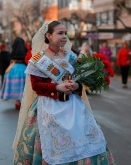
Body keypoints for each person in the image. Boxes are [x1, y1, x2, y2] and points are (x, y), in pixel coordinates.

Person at [12, 21, 115, 165]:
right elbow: (36, 86)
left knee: (84, 143)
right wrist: (56, 87)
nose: (64, 36)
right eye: (60, 33)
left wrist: (76, 85)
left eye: (65, 33)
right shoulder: (38, 59)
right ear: (48, 35)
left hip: (74, 106)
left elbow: (79, 80)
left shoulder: (71, 57)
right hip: (48, 107)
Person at [1, 37, 27, 109]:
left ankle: (17, 102)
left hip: (13, 68)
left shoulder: (13, 50)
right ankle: (23, 101)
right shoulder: (25, 50)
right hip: (23, 68)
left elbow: (11, 58)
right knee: (24, 85)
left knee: (16, 85)